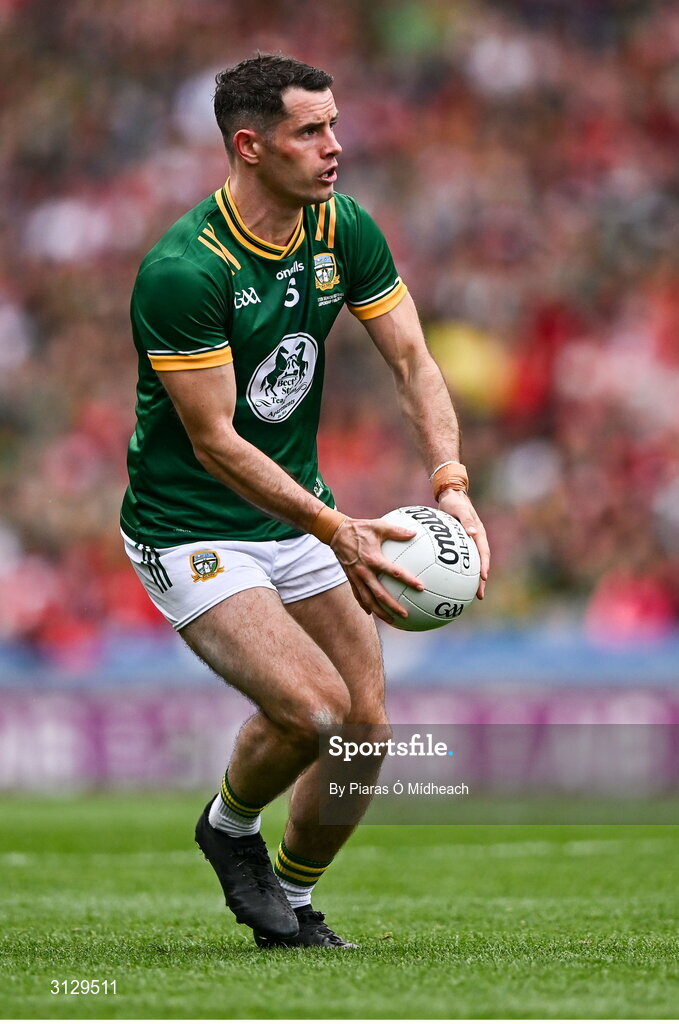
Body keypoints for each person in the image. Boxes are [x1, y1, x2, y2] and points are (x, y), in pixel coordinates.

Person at [120, 53, 489, 949]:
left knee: (363, 730)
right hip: (192, 526)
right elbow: (216, 443)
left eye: (334, 125)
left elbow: (411, 359)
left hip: (299, 514)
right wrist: (338, 529)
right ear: (249, 146)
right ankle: (231, 828)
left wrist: (451, 484)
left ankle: (292, 896)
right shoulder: (183, 270)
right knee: (313, 712)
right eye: (310, 131)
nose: (336, 147)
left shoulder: (340, 226)